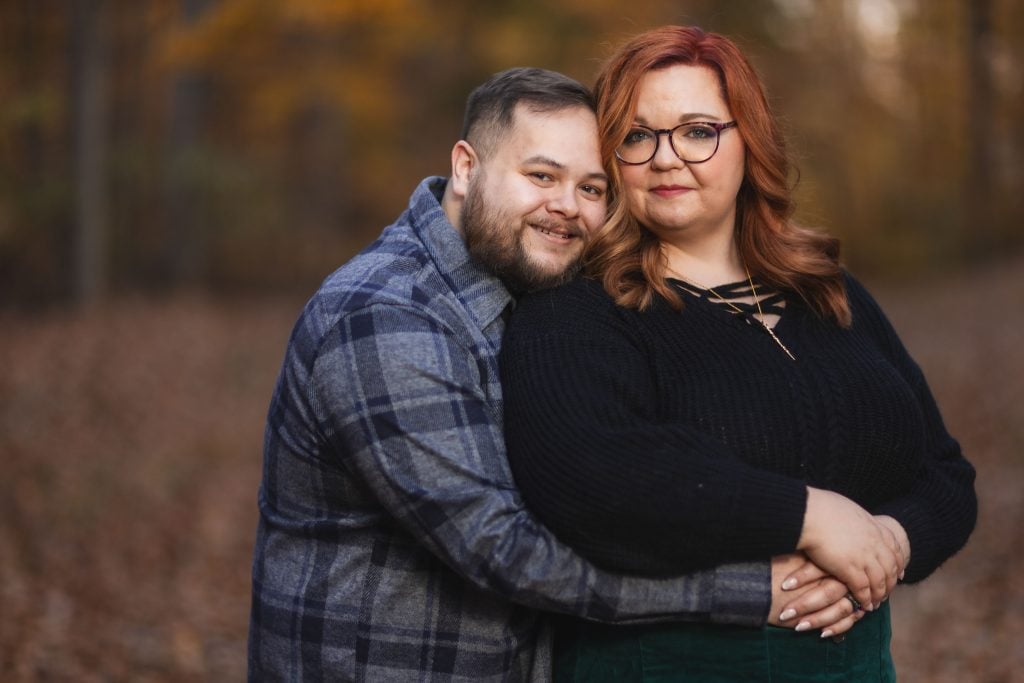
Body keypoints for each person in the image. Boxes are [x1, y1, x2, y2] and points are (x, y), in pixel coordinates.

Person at [248, 66, 854, 682]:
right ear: (465, 167)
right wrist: (750, 590)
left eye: (592, 189)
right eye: (541, 175)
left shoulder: (522, 292)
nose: (567, 207)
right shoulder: (385, 317)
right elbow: (502, 548)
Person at [500, 27, 977, 682]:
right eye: (637, 136)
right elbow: (594, 478)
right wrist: (810, 515)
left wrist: (894, 539)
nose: (666, 158)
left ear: (747, 140)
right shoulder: (575, 309)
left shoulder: (826, 290)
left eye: (697, 130)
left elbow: (944, 472)